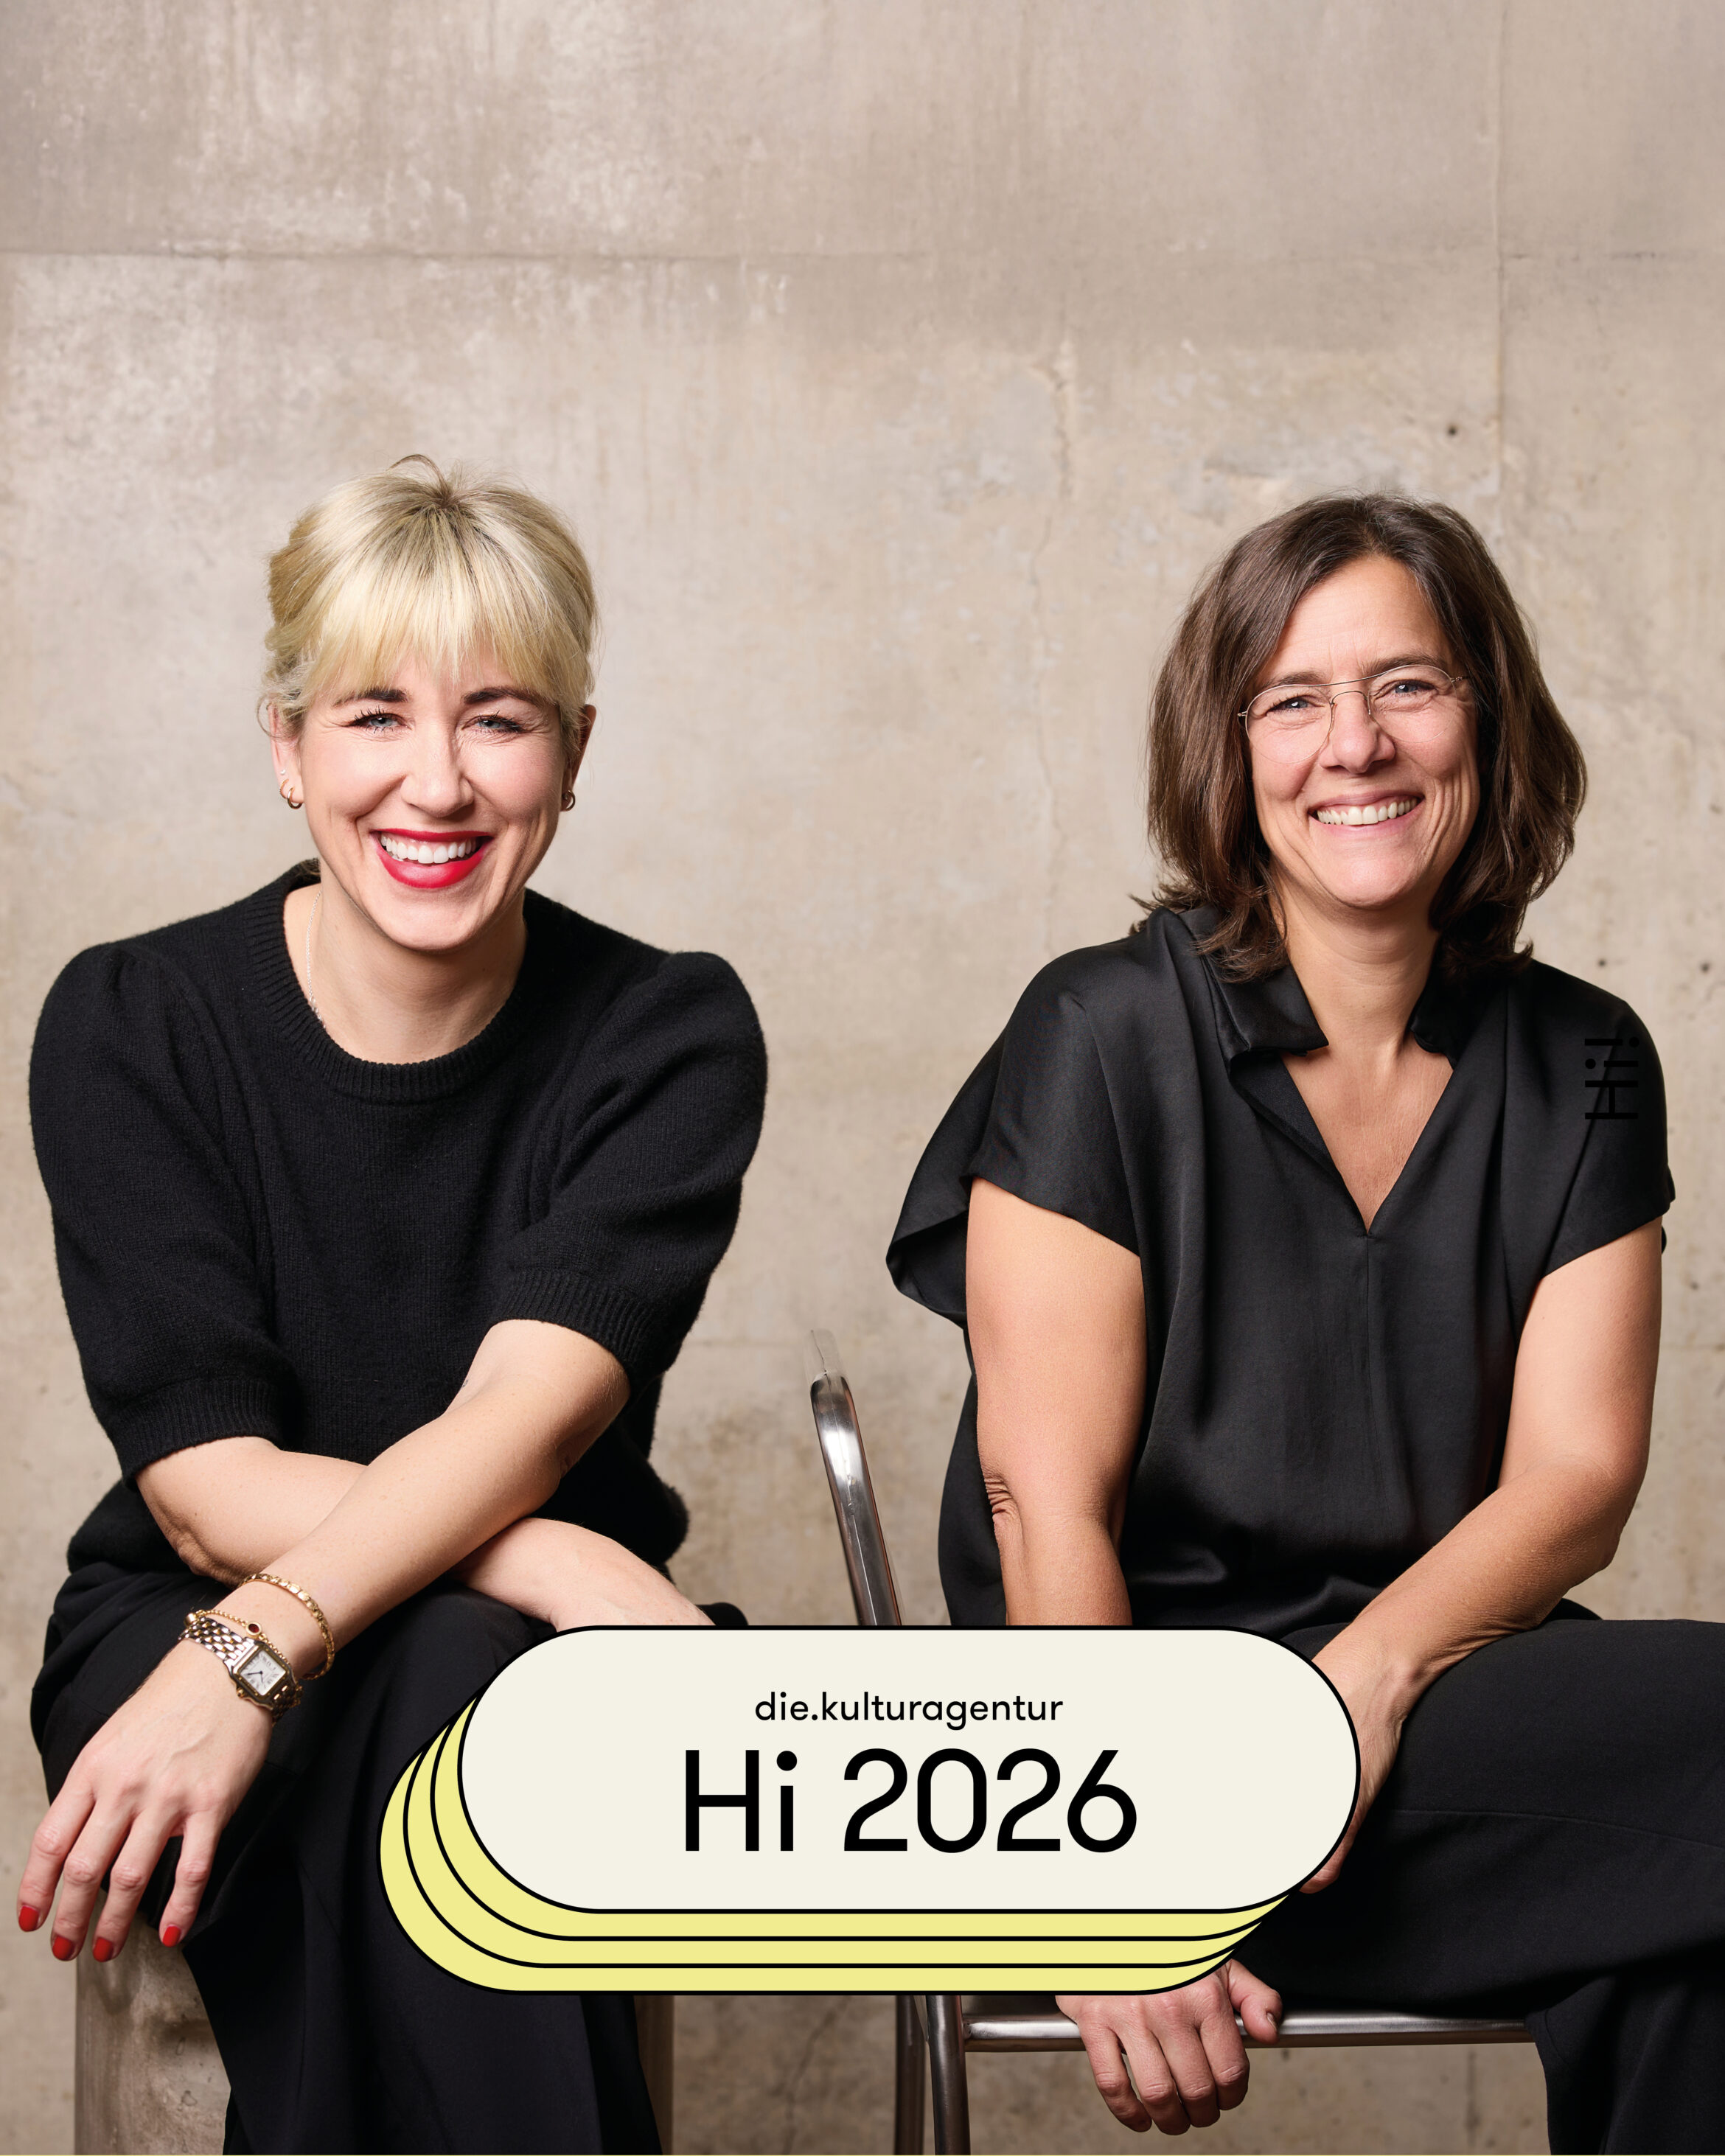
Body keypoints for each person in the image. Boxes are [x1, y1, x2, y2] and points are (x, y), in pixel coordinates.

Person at [888, 495, 1716, 2154]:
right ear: (1231, 749)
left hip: (1429, 1714)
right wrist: (1114, 1889)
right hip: (1126, 1760)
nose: (1357, 744)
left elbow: (1577, 1479)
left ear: (1488, 715)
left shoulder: (1590, 1057)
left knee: (1693, 1955)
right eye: (1294, 699)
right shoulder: (1098, 1029)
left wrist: (1364, 1682)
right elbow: (1043, 1504)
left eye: (1409, 684)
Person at [20, 460, 767, 2154]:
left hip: (483, 1661)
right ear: (287, 744)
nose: (437, 781)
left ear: (573, 748)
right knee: (470, 1676)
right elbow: (205, 1485)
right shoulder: (136, 1020)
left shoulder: (665, 1033)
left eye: (498, 719)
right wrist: (556, 1562)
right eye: (375, 715)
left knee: (454, 1673)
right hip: (184, 1615)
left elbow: (524, 1416)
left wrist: (294, 1634)